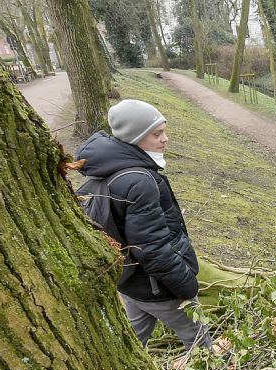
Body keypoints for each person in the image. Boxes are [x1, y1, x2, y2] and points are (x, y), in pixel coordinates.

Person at [76, 99, 212, 351]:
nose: (165, 139)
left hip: (131, 284)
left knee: (131, 346)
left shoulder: (106, 170)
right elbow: (151, 248)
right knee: (200, 341)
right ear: (135, 138)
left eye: (164, 132)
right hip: (159, 289)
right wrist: (187, 286)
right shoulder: (140, 181)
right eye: (156, 134)